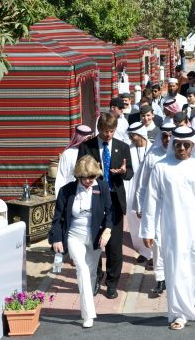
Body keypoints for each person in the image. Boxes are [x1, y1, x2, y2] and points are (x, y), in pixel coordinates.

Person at [140, 126, 195, 330]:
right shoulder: (161, 168)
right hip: (172, 229)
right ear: (172, 144)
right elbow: (151, 202)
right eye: (177, 144)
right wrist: (148, 231)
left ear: (193, 145)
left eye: (185, 145)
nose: (181, 148)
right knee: (178, 272)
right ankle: (179, 314)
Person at [48, 155, 113, 328]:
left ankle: (87, 302)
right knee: (82, 269)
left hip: (95, 238)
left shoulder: (103, 187)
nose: (89, 181)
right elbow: (58, 218)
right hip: (74, 236)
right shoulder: (67, 190)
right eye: (85, 178)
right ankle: (88, 314)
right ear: (78, 176)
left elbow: (110, 212)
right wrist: (56, 238)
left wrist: (107, 230)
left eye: (92, 177)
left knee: (91, 274)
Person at [77, 112, 134, 299]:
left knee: (114, 246)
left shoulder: (122, 147)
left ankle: (112, 283)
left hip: (115, 200)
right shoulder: (87, 146)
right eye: (104, 131)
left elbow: (130, 173)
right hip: (93, 200)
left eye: (111, 131)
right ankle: (95, 278)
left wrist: (124, 172)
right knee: (94, 243)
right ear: (98, 129)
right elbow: (79, 172)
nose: (108, 135)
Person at [134, 123, 176, 295]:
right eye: (164, 136)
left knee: (174, 243)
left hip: (176, 207)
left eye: (170, 136)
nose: (167, 139)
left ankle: (173, 276)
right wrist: (139, 204)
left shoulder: (181, 155)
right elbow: (142, 183)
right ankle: (160, 278)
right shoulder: (152, 155)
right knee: (158, 243)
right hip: (156, 207)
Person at [126, 122, 153, 268]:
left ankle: (154, 255)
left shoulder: (153, 148)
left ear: (141, 134)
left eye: (133, 135)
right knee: (133, 218)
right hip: (132, 188)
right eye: (130, 135)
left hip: (150, 188)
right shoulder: (128, 149)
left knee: (149, 220)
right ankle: (143, 251)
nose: (131, 138)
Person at [55, 125, 94, 197]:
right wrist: (60, 198)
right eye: (86, 138)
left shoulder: (93, 152)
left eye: (90, 138)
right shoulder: (68, 154)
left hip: (90, 194)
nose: (88, 140)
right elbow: (61, 177)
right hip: (72, 194)